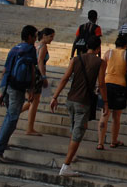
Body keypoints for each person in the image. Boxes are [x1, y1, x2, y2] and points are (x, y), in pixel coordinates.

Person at [50, 36, 108, 177]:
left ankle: (71, 155)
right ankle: (66, 165)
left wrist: (55, 96)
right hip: (84, 100)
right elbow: (101, 83)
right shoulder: (100, 62)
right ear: (98, 48)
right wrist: (105, 102)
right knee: (78, 132)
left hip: (71, 98)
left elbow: (65, 78)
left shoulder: (76, 59)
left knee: (75, 128)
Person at [0, 25, 38, 163]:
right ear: (29, 37)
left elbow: (5, 70)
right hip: (17, 87)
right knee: (12, 119)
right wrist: (31, 89)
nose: (35, 39)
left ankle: (1, 144)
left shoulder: (14, 48)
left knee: (9, 116)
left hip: (7, 85)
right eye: (34, 36)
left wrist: (2, 91)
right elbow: (32, 70)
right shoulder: (30, 49)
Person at [97, 33, 127, 150]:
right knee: (116, 116)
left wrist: (100, 84)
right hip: (120, 85)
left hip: (107, 84)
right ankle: (113, 141)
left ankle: (100, 142)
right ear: (125, 45)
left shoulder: (108, 53)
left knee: (104, 114)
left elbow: (101, 70)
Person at [21, 27, 54, 136]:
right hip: (37, 74)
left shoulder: (35, 45)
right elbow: (40, 61)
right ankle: (29, 128)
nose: (51, 39)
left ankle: (15, 112)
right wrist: (44, 77)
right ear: (44, 36)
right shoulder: (43, 46)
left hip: (32, 73)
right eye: (50, 36)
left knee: (32, 101)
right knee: (34, 102)